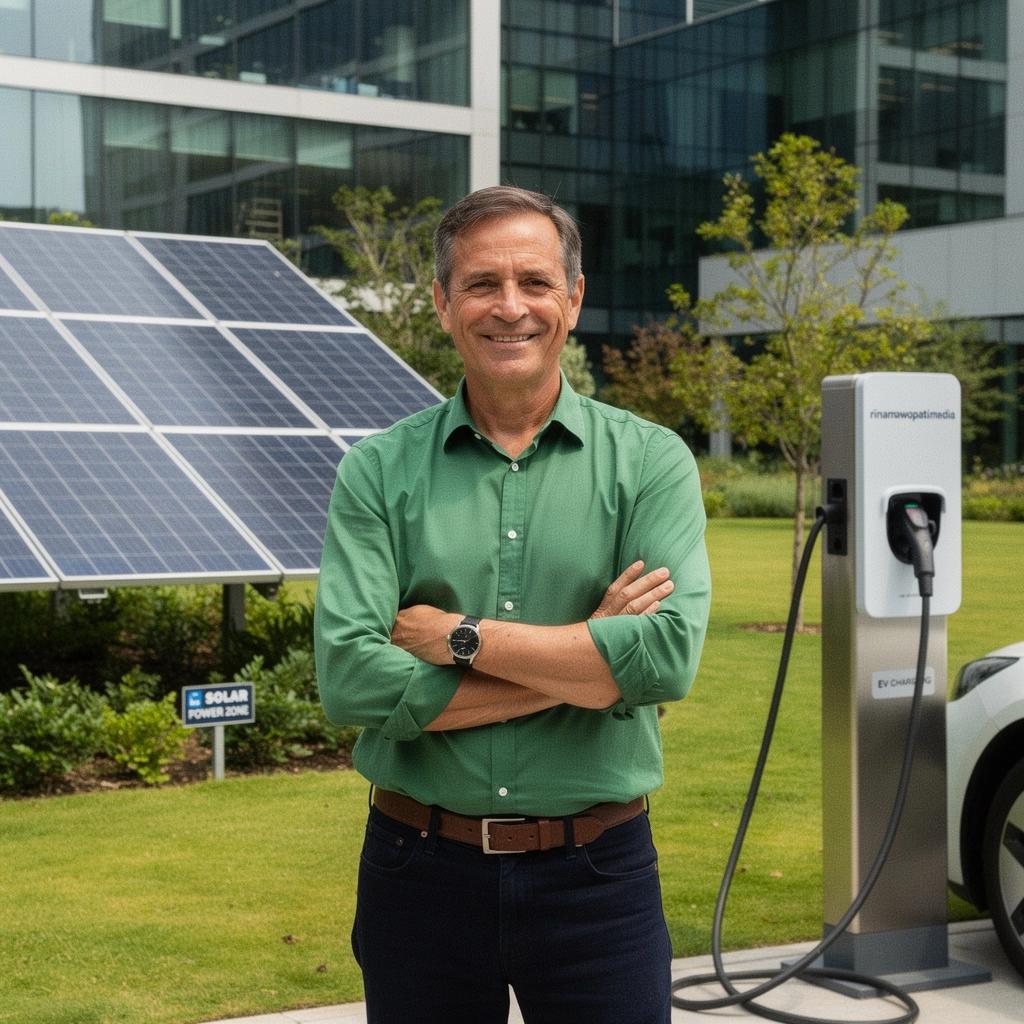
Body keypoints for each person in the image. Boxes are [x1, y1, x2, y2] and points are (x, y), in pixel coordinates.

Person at [315, 185, 711, 1023]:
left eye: (534, 282)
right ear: (442, 302)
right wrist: (591, 662)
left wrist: (459, 637)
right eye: (481, 284)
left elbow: (665, 660)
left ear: (573, 298)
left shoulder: (651, 462)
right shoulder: (377, 472)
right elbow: (351, 679)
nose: (510, 308)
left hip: (598, 879)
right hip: (416, 874)